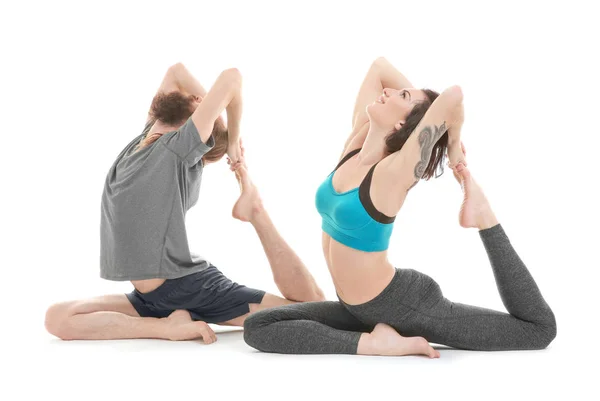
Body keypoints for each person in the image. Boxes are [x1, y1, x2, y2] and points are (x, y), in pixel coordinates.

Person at [242, 57, 557, 357]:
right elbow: (379, 66)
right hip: (356, 308)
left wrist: (450, 145)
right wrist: (417, 109)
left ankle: (485, 216)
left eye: (401, 96)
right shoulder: (356, 143)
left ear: (404, 123)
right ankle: (374, 341)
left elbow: (453, 96)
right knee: (259, 326)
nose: (388, 91)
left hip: (402, 304)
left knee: (537, 330)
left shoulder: (395, 172)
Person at [45, 63, 324, 343]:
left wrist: (231, 138)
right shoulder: (146, 136)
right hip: (150, 299)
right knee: (57, 318)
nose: (200, 96)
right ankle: (165, 327)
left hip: (190, 287)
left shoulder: (177, 148)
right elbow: (176, 72)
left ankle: (255, 210)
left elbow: (232, 78)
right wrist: (215, 120)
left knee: (313, 311)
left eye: (203, 105)